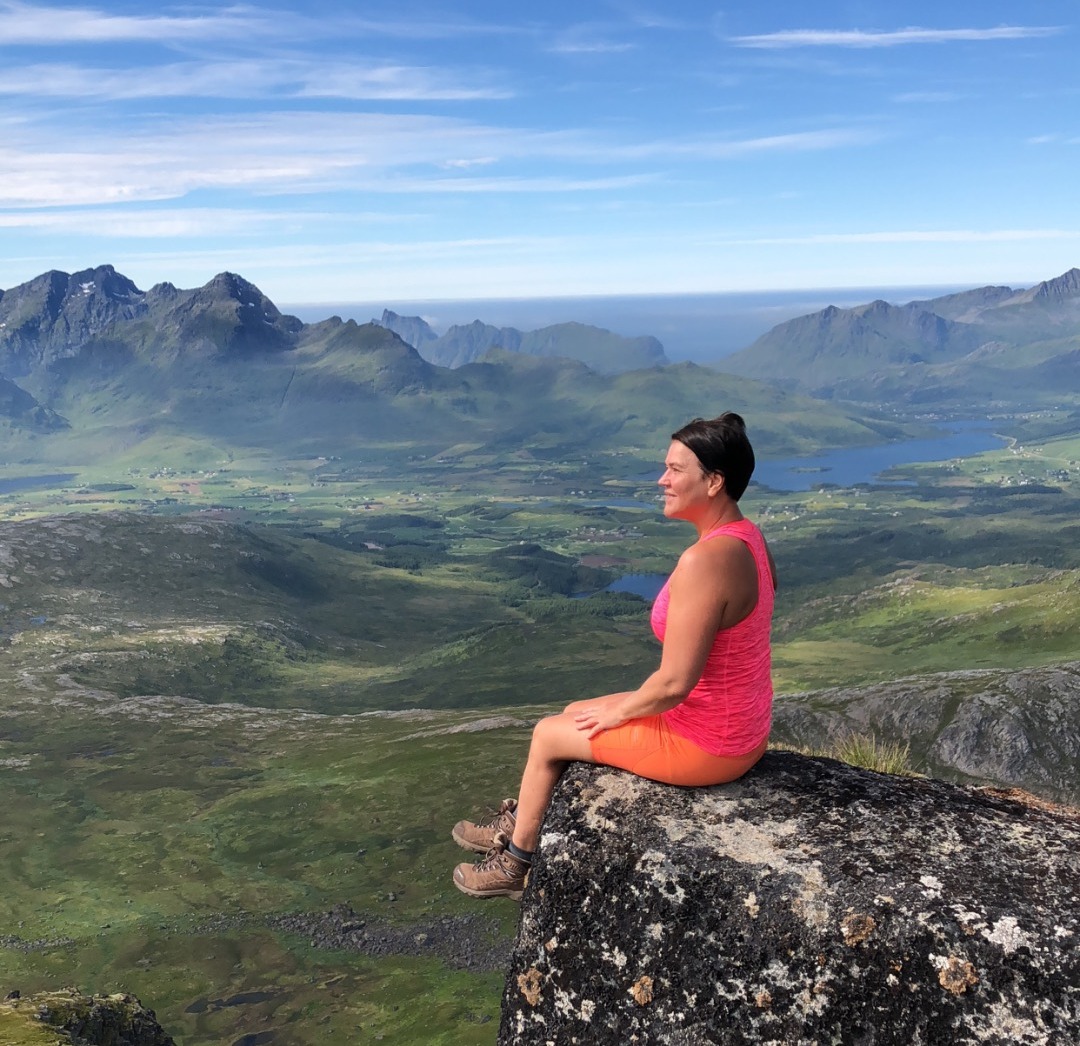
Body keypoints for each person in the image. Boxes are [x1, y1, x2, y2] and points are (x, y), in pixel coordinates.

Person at [451, 412, 776, 900]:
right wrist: (607, 711)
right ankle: (519, 818)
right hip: (736, 726)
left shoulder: (706, 560)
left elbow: (674, 684)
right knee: (574, 714)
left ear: (713, 481)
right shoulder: (745, 537)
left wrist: (620, 711)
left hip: (712, 742)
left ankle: (516, 863)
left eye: (675, 469)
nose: (661, 480)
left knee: (547, 735)